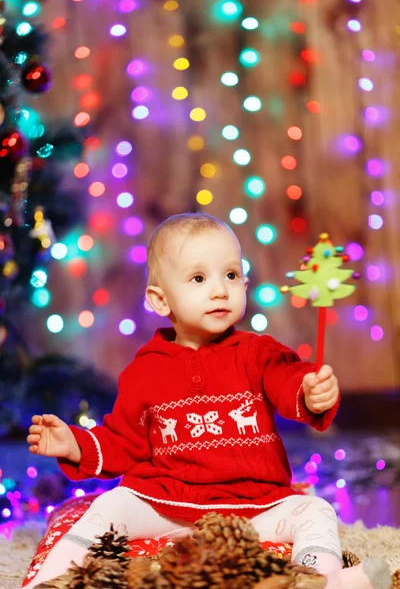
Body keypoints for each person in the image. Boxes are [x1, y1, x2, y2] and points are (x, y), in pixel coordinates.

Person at [25, 214, 390, 589]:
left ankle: (317, 580)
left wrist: (311, 392)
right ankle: (52, 582)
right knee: (107, 507)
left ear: (245, 283)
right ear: (160, 300)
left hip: (255, 502)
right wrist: (74, 444)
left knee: (316, 510)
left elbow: (288, 382)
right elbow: (123, 441)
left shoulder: (258, 353)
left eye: (231, 276)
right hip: (167, 503)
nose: (220, 290)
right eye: (199, 279)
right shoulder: (144, 370)